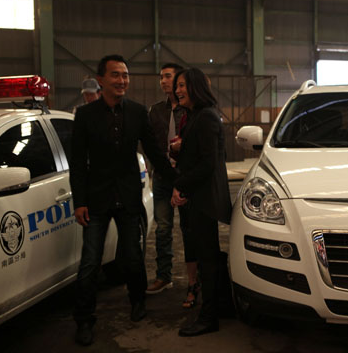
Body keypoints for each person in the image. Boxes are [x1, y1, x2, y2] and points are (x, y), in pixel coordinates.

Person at [70, 54, 175, 346]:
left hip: (128, 197)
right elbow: (77, 162)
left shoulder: (138, 112)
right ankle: (84, 319)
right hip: (96, 199)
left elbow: (154, 152)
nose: (122, 80)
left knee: (132, 255)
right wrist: (79, 201)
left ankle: (137, 301)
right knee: (90, 261)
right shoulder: (85, 115)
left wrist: (178, 180)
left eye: (125, 75)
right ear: (101, 80)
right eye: (115, 75)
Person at [170, 68, 231, 337]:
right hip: (199, 196)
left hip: (205, 199)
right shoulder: (195, 115)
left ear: (195, 87)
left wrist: (180, 185)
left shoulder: (206, 116)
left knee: (207, 257)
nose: (177, 90)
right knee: (209, 255)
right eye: (177, 86)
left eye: (182, 85)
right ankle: (222, 306)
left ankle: (209, 317)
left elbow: (208, 163)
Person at [146, 63, 199, 308]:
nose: (163, 81)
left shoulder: (191, 110)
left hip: (185, 177)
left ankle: (194, 282)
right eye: (161, 77)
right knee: (163, 228)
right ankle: (163, 276)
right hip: (162, 177)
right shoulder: (155, 110)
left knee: (189, 230)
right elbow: (150, 143)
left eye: (168, 76)